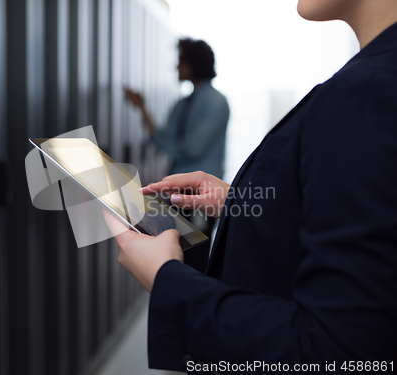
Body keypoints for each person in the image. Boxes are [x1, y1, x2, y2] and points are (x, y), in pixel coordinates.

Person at [106, 0, 397, 373]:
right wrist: (240, 201)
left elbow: (339, 351)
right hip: (187, 197)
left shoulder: (368, 91)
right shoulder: (369, 81)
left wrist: (167, 280)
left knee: (191, 259)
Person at [124, 39, 230, 239]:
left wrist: (168, 145)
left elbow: (192, 148)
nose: (176, 66)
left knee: (195, 254)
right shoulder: (183, 104)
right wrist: (142, 108)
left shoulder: (216, 102)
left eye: (181, 61)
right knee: (177, 248)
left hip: (201, 194)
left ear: (194, 64)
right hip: (177, 192)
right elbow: (161, 137)